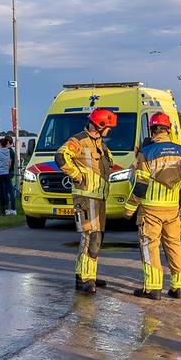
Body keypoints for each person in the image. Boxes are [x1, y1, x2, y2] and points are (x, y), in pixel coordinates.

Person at [124, 112, 181, 300]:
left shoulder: (147, 154)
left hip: (151, 211)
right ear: (168, 129)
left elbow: (140, 186)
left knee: (150, 247)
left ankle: (153, 289)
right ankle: (178, 288)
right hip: (173, 210)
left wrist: (129, 209)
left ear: (153, 130)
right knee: (174, 246)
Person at [57, 108, 117, 294]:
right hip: (86, 196)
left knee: (97, 237)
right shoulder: (79, 140)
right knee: (89, 237)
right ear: (99, 126)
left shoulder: (100, 142)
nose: (110, 131)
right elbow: (60, 156)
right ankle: (84, 279)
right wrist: (77, 175)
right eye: (108, 127)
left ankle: (89, 275)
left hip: (99, 196)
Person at [0, 135, 16, 216]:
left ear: (8, 142)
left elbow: (9, 163)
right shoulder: (9, 151)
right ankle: (9, 209)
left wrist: (4, 168)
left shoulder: (7, 151)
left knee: (6, 191)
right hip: (8, 172)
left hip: (6, 173)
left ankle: (9, 209)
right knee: (8, 191)